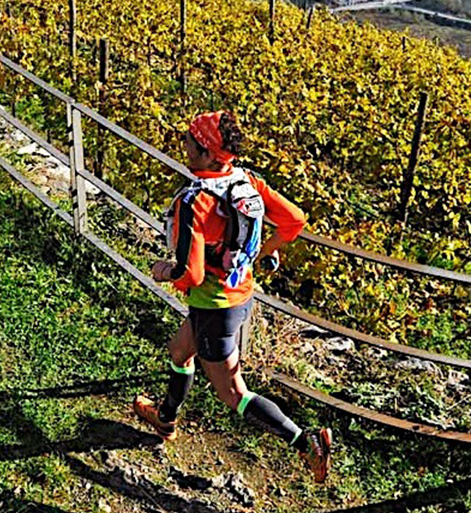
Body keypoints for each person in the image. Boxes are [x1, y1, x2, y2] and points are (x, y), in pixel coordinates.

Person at [133, 110, 332, 483]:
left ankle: (306, 442)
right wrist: (266, 251)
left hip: (214, 307)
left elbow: (189, 273)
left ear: (208, 153)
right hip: (239, 296)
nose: (185, 145)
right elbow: (295, 220)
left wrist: (164, 271)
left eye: (191, 140)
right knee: (179, 350)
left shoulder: (195, 202)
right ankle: (165, 419)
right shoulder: (248, 181)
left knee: (234, 393)